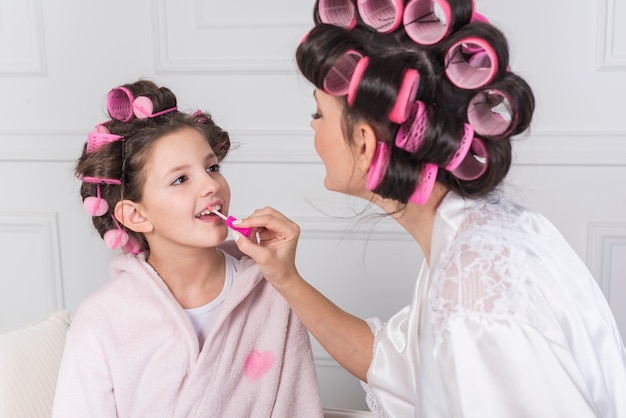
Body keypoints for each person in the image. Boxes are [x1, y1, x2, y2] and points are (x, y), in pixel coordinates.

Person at [231, 1, 626, 417]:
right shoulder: (475, 236)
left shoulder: (475, 291)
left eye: (319, 112)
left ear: (364, 143)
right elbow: (395, 368)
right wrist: (286, 277)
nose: (313, 126)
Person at [52, 80, 323, 417]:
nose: (211, 185)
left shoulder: (270, 292)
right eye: (180, 179)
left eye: (212, 168)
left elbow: (296, 405)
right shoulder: (103, 321)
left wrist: (287, 279)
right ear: (136, 215)